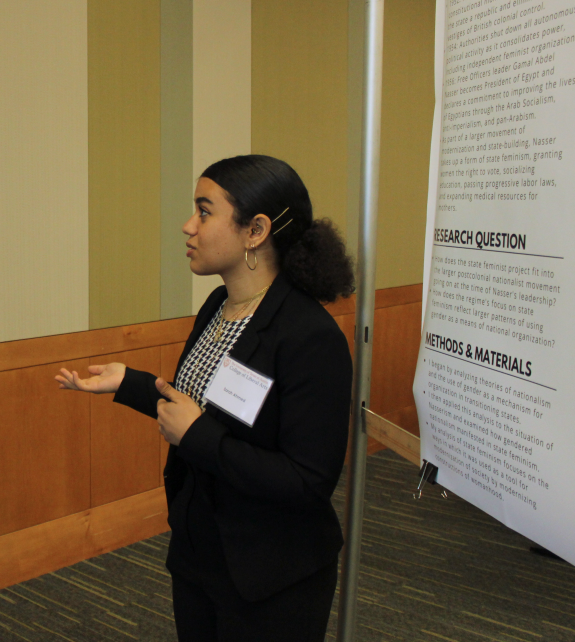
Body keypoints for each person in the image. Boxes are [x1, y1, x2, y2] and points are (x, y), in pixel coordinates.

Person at [56, 155, 354, 641]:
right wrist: (129, 383)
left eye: (204, 211)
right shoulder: (219, 306)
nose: (187, 226)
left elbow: (306, 482)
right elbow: (194, 407)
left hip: (271, 574)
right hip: (201, 551)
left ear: (255, 230)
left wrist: (198, 438)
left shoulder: (309, 337)